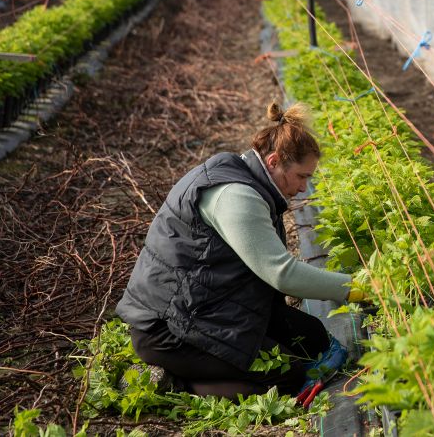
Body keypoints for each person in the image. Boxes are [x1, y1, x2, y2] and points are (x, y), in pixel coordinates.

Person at [116, 101, 364, 397]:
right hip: (167, 328)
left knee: (315, 340)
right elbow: (281, 274)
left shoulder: (245, 179)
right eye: (302, 176)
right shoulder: (236, 196)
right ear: (273, 162)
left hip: (206, 307)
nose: (302, 188)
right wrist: (356, 287)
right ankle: (171, 382)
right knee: (287, 379)